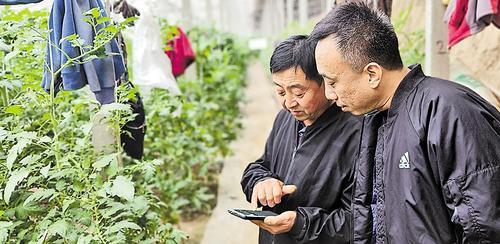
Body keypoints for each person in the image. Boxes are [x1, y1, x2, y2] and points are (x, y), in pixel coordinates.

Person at [310, 2, 500, 243]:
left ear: (372, 74)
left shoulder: (448, 110)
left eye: (332, 82)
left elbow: (485, 226)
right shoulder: (378, 118)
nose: (329, 94)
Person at [240, 35, 361, 243]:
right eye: (279, 91)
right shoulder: (285, 118)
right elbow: (261, 165)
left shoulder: (356, 133)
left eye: (298, 92)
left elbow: (359, 221)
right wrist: (261, 182)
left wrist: (301, 224)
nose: (288, 102)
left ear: (325, 82)